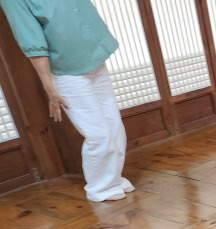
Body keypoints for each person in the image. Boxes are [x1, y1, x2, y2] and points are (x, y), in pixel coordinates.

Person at [0, 0, 134, 202]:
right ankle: (100, 188)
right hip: (67, 70)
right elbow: (31, 40)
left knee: (114, 126)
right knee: (98, 134)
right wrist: (49, 88)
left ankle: (113, 179)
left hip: (94, 56)